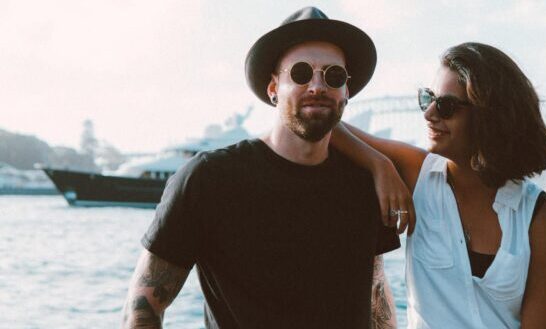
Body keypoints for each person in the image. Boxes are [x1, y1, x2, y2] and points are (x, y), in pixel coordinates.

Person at [121, 7, 401, 329]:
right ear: (272, 88)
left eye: (333, 76)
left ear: (346, 91)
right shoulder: (210, 179)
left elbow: (376, 297)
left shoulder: (363, 185)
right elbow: (143, 308)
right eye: (300, 73)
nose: (317, 85)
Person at [331, 42, 546, 328]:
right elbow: (328, 124)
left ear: (490, 115)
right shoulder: (417, 173)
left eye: (445, 105)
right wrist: (379, 165)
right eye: (427, 98)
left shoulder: (540, 218)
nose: (429, 113)